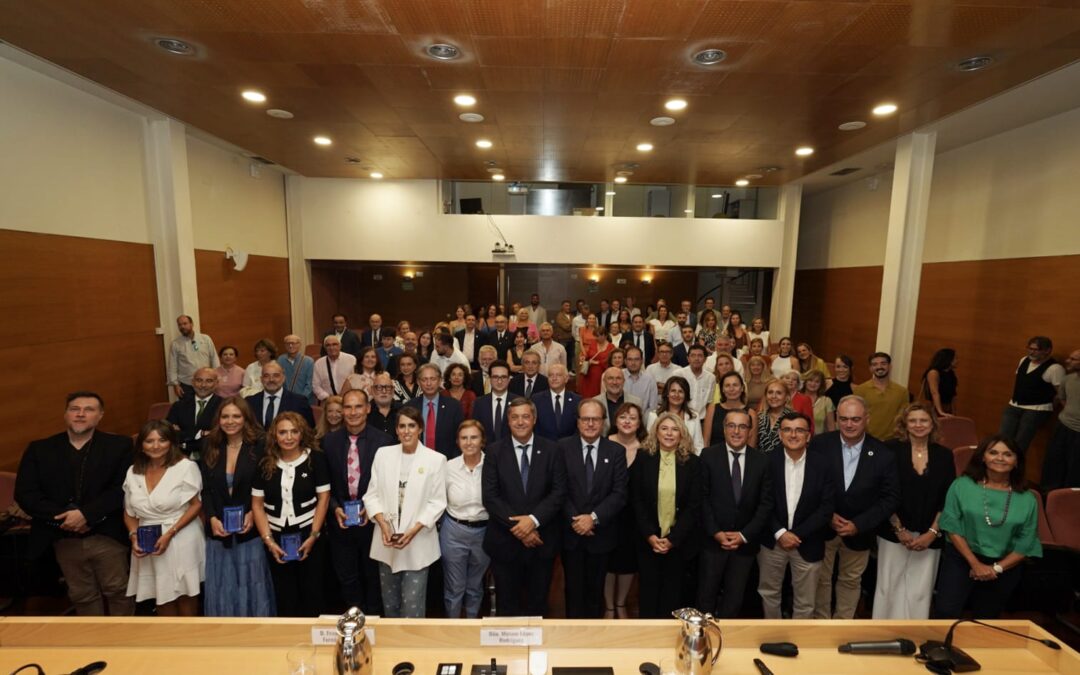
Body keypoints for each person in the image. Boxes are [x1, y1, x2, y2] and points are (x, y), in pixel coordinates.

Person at [15, 392, 135, 616]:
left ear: (100, 416)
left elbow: (123, 488)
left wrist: (86, 515)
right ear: (65, 414)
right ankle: (91, 636)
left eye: (89, 409)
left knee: (118, 589)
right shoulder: (39, 449)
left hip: (106, 533)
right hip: (62, 535)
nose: (81, 414)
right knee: (81, 594)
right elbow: (25, 493)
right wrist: (66, 518)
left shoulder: (120, 446)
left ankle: (123, 635)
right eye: (74, 409)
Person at [810, 395, 899, 619]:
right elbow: (810, 486)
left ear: (867, 419)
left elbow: (889, 498)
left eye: (855, 419)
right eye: (844, 419)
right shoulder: (820, 445)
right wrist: (828, 515)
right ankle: (821, 624)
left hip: (860, 531)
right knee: (820, 579)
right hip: (824, 527)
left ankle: (843, 625)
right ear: (837, 419)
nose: (849, 424)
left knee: (850, 581)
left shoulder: (883, 454)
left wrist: (858, 524)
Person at [935, 435, 1042, 618]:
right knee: (946, 611)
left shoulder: (1028, 498)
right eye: (993, 452)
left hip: (1005, 565)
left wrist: (996, 568)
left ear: (1016, 461)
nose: (1000, 458)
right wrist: (975, 564)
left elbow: (1026, 542)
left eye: (1008, 454)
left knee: (987, 618)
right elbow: (951, 526)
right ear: (983, 457)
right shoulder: (961, 485)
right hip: (962, 558)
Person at [482, 398, 567, 616]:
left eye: (525, 416)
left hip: (542, 542)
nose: (520, 422)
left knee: (538, 605)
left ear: (534, 419)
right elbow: (490, 497)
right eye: (515, 417)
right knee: (507, 606)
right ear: (508, 420)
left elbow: (558, 492)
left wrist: (533, 521)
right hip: (505, 542)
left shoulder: (552, 450)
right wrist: (521, 528)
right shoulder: (494, 452)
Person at [363, 405, 446, 618]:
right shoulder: (383, 455)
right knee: (390, 605)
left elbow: (437, 502)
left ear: (420, 429)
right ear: (396, 430)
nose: (406, 431)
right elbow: (371, 495)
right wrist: (383, 524)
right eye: (402, 426)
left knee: (412, 607)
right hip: (386, 541)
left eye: (412, 426)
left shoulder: (436, 459)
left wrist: (413, 530)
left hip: (418, 542)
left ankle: (412, 641)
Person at [874, 404, 954, 619]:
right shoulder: (889, 450)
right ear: (904, 424)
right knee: (888, 587)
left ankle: (913, 634)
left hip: (930, 534)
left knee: (920, 591)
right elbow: (882, 492)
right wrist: (899, 529)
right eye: (913, 421)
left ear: (932, 424)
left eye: (924, 420)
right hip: (893, 530)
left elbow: (947, 499)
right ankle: (881, 633)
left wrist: (932, 532)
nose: (918, 425)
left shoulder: (945, 455)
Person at [198, 398, 275, 617]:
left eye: (236, 416)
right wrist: (212, 517)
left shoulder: (260, 445)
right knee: (223, 588)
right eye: (225, 416)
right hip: (219, 530)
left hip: (250, 529)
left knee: (253, 586)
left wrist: (253, 512)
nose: (230, 421)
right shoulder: (209, 445)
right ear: (218, 419)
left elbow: (268, 485)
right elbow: (206, 489)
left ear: (246, 418)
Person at [251, 412, 330, 617]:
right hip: (275, 537)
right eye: (283, 432)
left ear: (302, 433)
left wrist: (313, 535)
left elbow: (324, 499)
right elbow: (257, 505)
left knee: (313, 594)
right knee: (284, 597)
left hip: (310, 534)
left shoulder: (316, 459)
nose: (289, 437)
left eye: (294, 431)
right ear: (274, 435)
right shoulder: (264, 463)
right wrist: (268, 541)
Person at [123, 420, 205, 616]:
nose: (156, 446)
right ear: (141, 445)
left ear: (171, 443)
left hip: (181, 535)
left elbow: (196, 505)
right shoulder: (133, 471)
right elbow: (129, 512)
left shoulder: (185, 467)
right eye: (149, 441)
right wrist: (134, 536)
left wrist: (170, 533)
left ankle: (189, 635)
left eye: (162, 440)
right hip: (148, 539)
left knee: (185, 594)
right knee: (158, 593)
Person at [757, 412, 834, 619]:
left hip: (808, 542)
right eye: (787, 430)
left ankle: (799, 638)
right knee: (768, 593)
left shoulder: (823, 464)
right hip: (772, 541)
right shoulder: (765, 462)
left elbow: (826, 507)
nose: (793, 435)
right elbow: (762, 503)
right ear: (780, 434)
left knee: (806, 601)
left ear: (808, 435)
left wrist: (796, 534)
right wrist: (780, 533)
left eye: (799, 430)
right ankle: (773, 636)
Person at [323, 389, 393, 615]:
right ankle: (355, 619)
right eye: (348, 407)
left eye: (358, 406)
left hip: (372, 523)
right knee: (347, 577)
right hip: (340, 523)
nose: (353, 412)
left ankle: (374, 619)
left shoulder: (384, 442)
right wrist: (335, 508)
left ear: (368, 409)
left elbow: (388, 484)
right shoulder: (329, 442)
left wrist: (370, 508)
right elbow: (324, 484)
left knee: (373, 575)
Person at [697, 409, 772, 617]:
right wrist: (716, 532)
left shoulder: (762, 461)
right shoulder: (708, 456)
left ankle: (727, 635)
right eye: (731, 426)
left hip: (744, 545)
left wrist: (744, 535)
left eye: (742, 426)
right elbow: (701, 498)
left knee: (735, 598)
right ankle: (703, 634)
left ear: (750, 431)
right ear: (724, 429)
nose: (736, 431)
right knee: (706, 595)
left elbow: (766, 504)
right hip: (713, 542)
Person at [560, 400, 629, 618]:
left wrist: (592, 518)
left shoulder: (616, 451)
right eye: (586, 419)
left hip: (601, 535)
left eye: (596, 419)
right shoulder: (562, 448)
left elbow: (619, 493)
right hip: (570, 535)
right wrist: (577, 520)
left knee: (595, 594)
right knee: (573, 592)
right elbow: (558, 489)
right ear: (578, 421)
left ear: (603, 422)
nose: (590, 424)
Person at [632, 412, 702, 618]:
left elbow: (694, 506)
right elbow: (636, 499)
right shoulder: (643, 458)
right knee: (648, 593)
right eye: (664, 428)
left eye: (674, 429)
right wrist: (650, 535)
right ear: (656, 432)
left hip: (678, 542)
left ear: (682, 434)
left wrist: (673, 539)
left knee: (673, 593)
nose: (669, 433)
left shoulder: (693, 463)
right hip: (648, 540)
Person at [441, 420, 490, 618]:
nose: (469, 442)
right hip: (454, 531)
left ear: (482, 440)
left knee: (475, 586)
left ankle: (472, 626)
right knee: (454, 587)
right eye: (464, 438)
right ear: (458, 441)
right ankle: (452, 627)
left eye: (474, 437)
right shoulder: (448, 467)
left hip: (484, 532)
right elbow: (437, 499)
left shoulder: (493, 464)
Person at [603, 402, 647, 618]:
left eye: (632, 418)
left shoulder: (647, 449)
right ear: (615, 421)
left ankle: (620, 603)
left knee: (628, 561)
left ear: (639, 423)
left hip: (634, 516)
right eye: (623, 417)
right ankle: (609, 606)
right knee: (608, 561)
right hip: (607, 514)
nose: (627, 421)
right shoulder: (604, 444)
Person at [1000, 336, 1066, 453]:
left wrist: (1050, 406)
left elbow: (1061, 393)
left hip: (1036, 409)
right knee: (1002, 439)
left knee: (1020, 444)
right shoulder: (1023, 360)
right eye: (1030, 348)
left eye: (1036, 350)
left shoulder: (1055, 368)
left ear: (1047, 350)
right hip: (1014, 405)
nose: (1031, 352)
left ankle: (1016, 464)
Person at [406, 363, 465, 460]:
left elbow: (460, 437)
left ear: (440, 380)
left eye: (433, 379)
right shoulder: (410, 407)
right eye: (424, 379)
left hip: (447, 461)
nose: (428, 383)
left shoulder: (454, 406)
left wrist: (453, 461)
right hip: (416, 461)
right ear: (418, 382)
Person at [1042, 348, 1080, 490]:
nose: (1067, 361)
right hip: (1063, 426)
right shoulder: (1067, 379)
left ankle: (1068, 498)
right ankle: (1049, 495)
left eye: (1073, 359)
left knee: (1074, 469)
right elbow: (1062, 399)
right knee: (1054, 463)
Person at [853, 352, 911, 441]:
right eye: (875, 364)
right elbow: (856, 417)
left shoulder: (902, 392)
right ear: (870, 368)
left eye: (883, 363)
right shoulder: (860, 390)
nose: (879, 367)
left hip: (893, 440)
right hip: (867, 439)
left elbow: (903, 418)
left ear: (890, 366)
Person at [166, 367, 222, 457]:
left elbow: (220, 436)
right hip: (181, 457)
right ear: (192, 382)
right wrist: (202, 433)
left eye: (209, 381)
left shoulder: (224, 406)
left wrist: (185, 441)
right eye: (199, 380)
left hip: (212, 457)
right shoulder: (179, 405)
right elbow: (169, 432)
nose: (203, 385)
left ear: (216, 383)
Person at [246, 361, 316, 431]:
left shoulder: (299, 402)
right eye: (266, 376)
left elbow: (309, 430)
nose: (271, 379)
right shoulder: (249, 402)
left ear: (283, 378)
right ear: (261, 379)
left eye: (276, 375)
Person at [647, 376, 705, 454]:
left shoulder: (694, 416)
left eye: (680, 391)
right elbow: (650, 443)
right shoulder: (654, 416)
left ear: (686, 395)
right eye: (673, 391)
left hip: (688, 458)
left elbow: (698, 445)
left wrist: (695, 460)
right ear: (667, 394)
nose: (676, 395)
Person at [167, 314, 219, 399]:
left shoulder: (205, 339)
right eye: (179, 325)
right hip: (187, 385)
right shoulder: (175, 344)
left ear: (191, 324)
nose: (182, 326)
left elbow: (214, 358)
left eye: (185, 323)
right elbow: (172, 366)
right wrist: (175, 385)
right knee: (188, 407)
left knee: (208, 406)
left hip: (206, 383)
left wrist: (216, 378)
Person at [704, 372, 759, 449]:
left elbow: (751, 447)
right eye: (727, 385)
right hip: (714, 454)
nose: (731, 389)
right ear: (722, 389)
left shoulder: (751, 414)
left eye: (735, 385)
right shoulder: (712, 409)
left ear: (742, 388)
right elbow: (706, 441)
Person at [591, 367, 644, 436]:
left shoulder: (636, 402)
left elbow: (640, 431)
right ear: (604, 381)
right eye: (610, 378)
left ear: (624, 381)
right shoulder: (594, 403)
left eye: (618, 378)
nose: (614, 382)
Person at [533, 363, 580, 441]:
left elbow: (579, 426)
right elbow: (533, 426)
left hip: (569, 445)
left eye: (558, 375)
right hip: (543, 445)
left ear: (566, 379)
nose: (554, 378)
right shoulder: (536, 399)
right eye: (551, 375)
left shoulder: (577, 400)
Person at [472, 360, 513, 443]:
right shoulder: (479, 403)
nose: (499, 381)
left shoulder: (518, 402)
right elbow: (475, 430)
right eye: (495, 377)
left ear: (509, 379)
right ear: (489, 379)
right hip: (485, 449)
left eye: (503, 377)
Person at [673, 344, 715, 422]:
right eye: (693, 355)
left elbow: (709, 402)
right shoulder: (678, 374)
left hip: (702, 420)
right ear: (688, 358)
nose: (696, 358)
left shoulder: (711, 378)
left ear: (705, 359)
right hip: (681, 419)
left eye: (700, 356)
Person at [312, 334, 357, 403]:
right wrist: (328, 398)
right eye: (328, 345)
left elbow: (357, 381)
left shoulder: (351, 359)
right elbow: (315, 385)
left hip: (349, 400)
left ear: (340, 346)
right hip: (327, 401)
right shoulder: (319, 363)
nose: (331, 347)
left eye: (334, 344)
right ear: (325, 348)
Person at [578, 316, 614, 399]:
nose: (596, 338)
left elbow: (609, 361)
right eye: (595, 336)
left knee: (597, 396)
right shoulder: (593, 343)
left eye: (598, 336)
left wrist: (597, 362)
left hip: (601, 373)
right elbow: (588, 354)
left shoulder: (611, 347)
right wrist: (584, 358)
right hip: (588, 373)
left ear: (605, 335)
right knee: (586, 395)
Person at [921, 348, 959, 417]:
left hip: (947, 407)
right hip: (934, 407)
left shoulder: (951, 374)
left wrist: (954, 412)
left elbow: (953, 395)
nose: (957, 361)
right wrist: (940, 411)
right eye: (955, 358)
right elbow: (934, 392)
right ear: (948, 359)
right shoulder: (934, 372)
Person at [279, 335, 315, 404]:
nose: (290, 346)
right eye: (288, 343)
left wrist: (300, 399)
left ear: (299, 345)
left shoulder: (308, 361)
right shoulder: (280, 360)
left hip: (304, 400)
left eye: (293, 343)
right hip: (285, 400)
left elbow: (310, 385)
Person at [623, 346, 659, 413]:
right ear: (625, 361)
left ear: (642, 361)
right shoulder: (618, 376)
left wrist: (641, 418)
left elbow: (653, 407)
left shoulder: (650, 379)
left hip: (643, 418)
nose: (633, 363)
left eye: (636, 359)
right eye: (630, 359)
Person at [779, 370, 815, 436]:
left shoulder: (804, 399)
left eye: (794, 379)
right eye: (787, 378)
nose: (790, 381)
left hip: (797, 435)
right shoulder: (776, 397)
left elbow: (810, 423)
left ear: (798, 384)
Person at [803, 370, 836, 436]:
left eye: (817, 382)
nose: (813, 384)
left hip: (819, 439)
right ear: (805, 382)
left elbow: (831, 428)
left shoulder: (826, 401)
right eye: (810, 380)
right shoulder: (797, 398)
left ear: (821, 384)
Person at [553, 301, 576, 374]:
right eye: (566, 305)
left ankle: (569, 370)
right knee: (562, 356)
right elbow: (565, 327)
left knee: (570, 356)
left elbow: (574, 327)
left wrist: (570, 324)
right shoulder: (559, 316)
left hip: (571, 339)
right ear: (562, 307)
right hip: (563, 339)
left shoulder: (572, 315)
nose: (568, 307)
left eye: (569, 306)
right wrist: (572, 324)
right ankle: (561, 371)